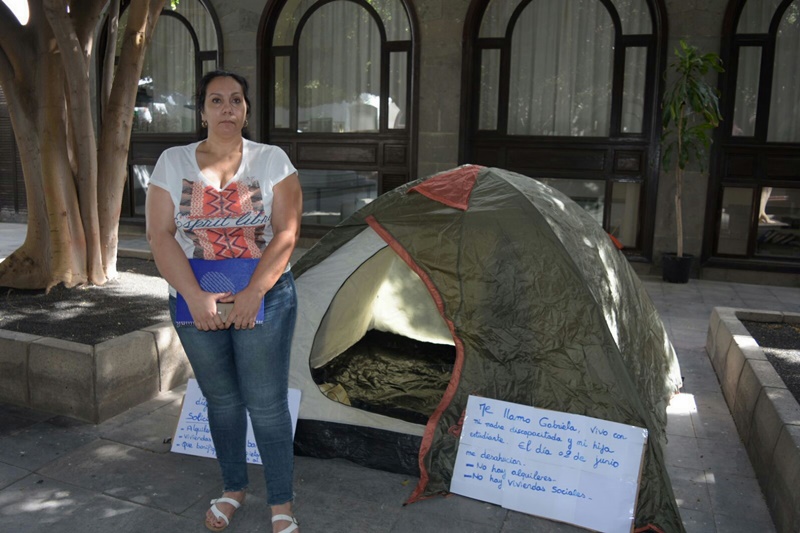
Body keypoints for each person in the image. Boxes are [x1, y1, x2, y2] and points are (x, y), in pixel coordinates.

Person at [145, 70, 302, 533]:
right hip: (195, 301)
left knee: (267, 403)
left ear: (246, 110)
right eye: (216, 100)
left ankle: (281, 502)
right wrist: (194, 297)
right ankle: (234, 487)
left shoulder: (272, 160)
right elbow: (159, 235)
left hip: (265, 297)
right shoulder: (172, 162)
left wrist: (254, 293)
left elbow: (287, 233)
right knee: (222, 401)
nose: (227, 108)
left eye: (236, 100)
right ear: (202, 111)